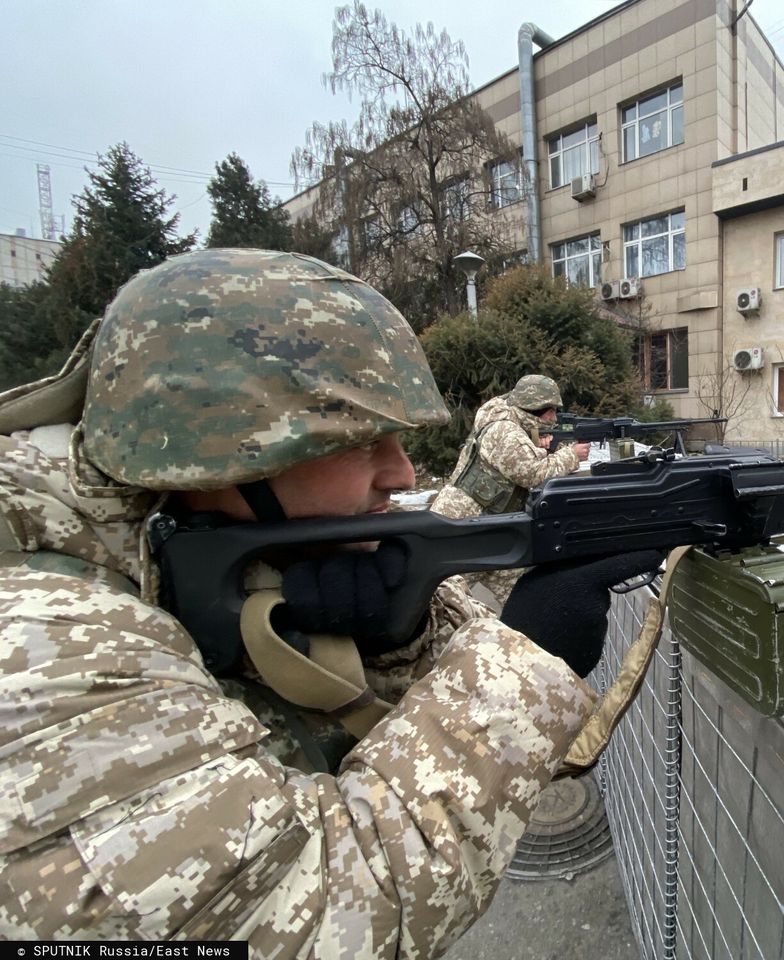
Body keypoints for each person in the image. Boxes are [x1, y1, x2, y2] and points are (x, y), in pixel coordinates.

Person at [0, 249, 658, 954]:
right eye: (361, 441)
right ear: (219, 451)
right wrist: (523, 668)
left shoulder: (182, 551)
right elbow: (310, 916)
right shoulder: (46, 636)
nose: (401, 472)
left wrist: (388, 645)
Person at [431, 374, 590, 604]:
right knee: (442, 602)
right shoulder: (505, 431)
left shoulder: (510, 421)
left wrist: (539, 447)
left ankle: (531, 632)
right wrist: (571, 455)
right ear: (534, 407)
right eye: (551, 411)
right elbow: (533, 474)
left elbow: (518, 462)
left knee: (527, 599)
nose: (554, 417)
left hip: (490, 529)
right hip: (463, 534)